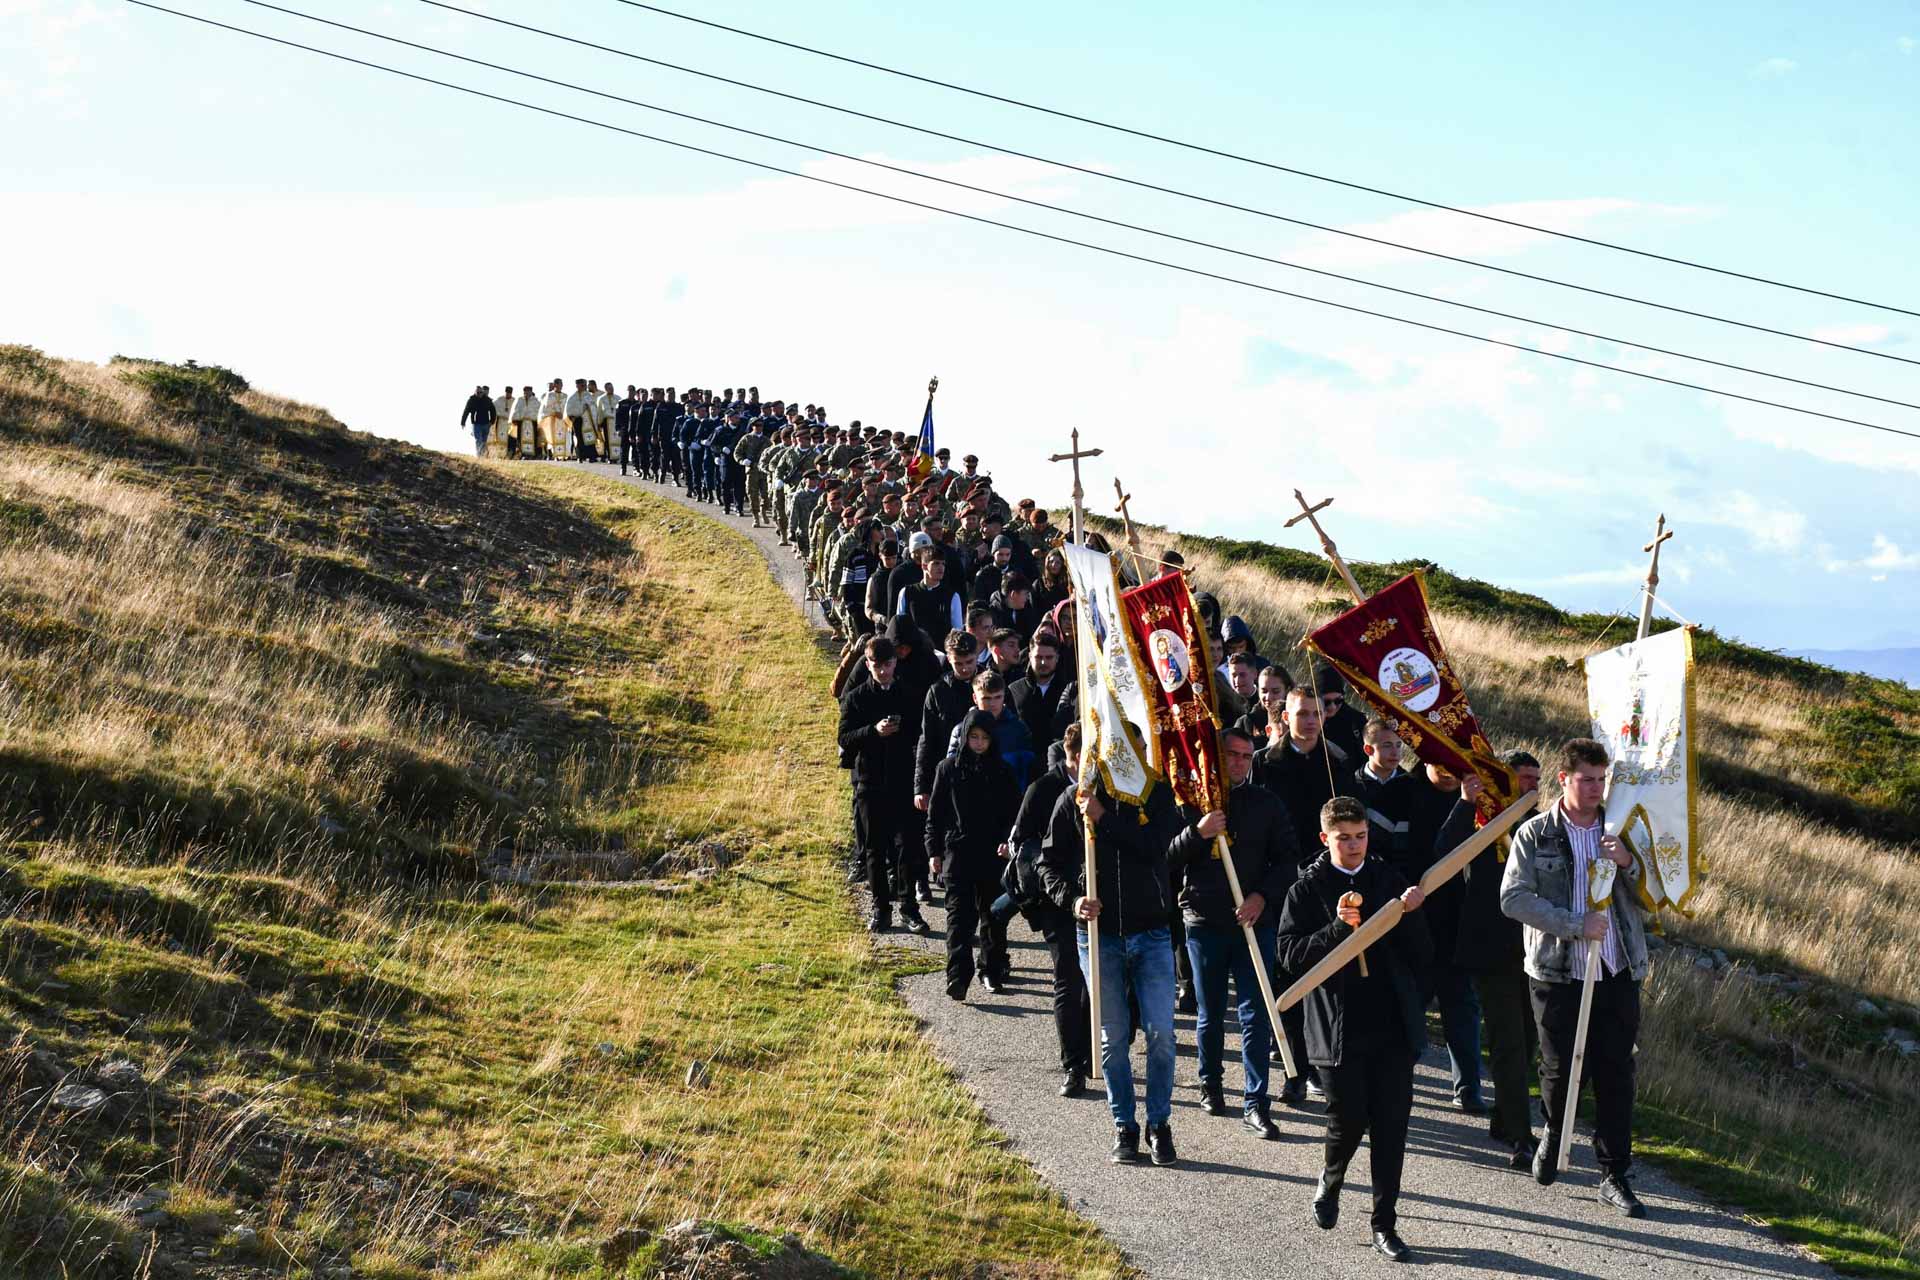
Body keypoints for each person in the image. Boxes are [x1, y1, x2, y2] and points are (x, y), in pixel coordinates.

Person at [1277, 795, 1431, 1264]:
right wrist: (1338, 931)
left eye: (1360, 836)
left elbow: (1421, 953)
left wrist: (1411, 912)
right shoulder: (1307, 888)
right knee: (1348, 1119)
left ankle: (1385, 1224)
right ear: (1326, 838)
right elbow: (1288, 955)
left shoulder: (1387, 879)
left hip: (1390, 1024)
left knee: (1391, 1127)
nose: (1354, 846)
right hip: (1335, 1027)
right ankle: (1331, 1177)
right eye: (1343, 838)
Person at [1501, 738, 1650, 1217]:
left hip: (1617, 968)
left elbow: (1657, 895)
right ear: (1563, 779)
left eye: (1602, 779)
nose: (1596, 789)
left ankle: (1614, 1173)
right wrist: (1573, 923)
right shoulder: (1534, 834)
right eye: (1587, 779)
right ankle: (1554, 1130)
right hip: (1558, 971)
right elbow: (1514, 899)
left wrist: (1628, 863)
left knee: (1616, 1072)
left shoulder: (1623, 830)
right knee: (1560, 1068)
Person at [1038, 771, 1182, 1166]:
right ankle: (1125, 1126)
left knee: (1161, 1034)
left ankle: (1159, 1123)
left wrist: (1105, 818)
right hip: (1099, 937)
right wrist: (1073, 901)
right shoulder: (1074, 799)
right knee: (1112, 1037)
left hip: (1150, 932)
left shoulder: (1154, 794)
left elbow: (1157, 849)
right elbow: (1046, 863)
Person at [1165, 727, 1298, 1139]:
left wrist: (1261, 896)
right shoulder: (1190, 802)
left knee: (1256, 1013)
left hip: (1252, 923)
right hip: (1204, 920)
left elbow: (1288, 859)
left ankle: (1256, 1101)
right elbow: (1164, 858)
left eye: (1245, 755)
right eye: (1231, 756)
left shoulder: (1267, 803)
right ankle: (1211, 1082)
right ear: (1216, 759)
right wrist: (1198, 832)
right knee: (1210, 1012)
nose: (1238, 763)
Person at [1443, 751, 1543, 1169]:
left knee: (1531, 1041)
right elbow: (1444, 853)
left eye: (1537, 780)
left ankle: (1504, 1119)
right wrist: (1466, 803)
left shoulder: (1542, 827)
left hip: (1536, 948)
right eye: (1523, 779)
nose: (1531, 788)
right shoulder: (1480, 818)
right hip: (1491, 948)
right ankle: (1521, 1137)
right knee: (1509, 1042)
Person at [1011, 725, 1092, 1094]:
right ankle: (1072, 1063)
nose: (1081, 767)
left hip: (1095, 899)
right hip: (1057, 898)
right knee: (1067, 980)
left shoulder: (1104, 789)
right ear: (1067, 756)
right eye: (1077, 760)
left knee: (1095, 982)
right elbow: (1024, 839)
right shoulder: (1044, 789)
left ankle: (1093, 1053)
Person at [925, 708, 1021, 999]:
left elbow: (1013, 814)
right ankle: (957, 974)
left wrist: (1009, 842)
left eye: (984, 738)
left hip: (991, 855)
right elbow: (936, 814)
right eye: (973, 737)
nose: (978, 743)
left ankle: (991, 970)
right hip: (958, 853)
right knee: (958, 918)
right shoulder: (948, 768)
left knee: (991, 917)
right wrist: (934, 851)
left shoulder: (1003, 771)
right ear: (965, 737)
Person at [837, 635, 929, 935]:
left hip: (902, 780)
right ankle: (881, 907)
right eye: (877, 665)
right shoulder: (857, 697)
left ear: (895, 663)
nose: (883, 670)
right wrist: (874, 731)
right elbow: (845, 738)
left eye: (888, 664)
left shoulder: (910, 695)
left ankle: (908, 907)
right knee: (875, 849)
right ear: (868, 663)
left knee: (907, 848)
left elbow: (921, 735)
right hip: (870, 781)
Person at [1008, 632, 1069, 748]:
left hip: (1059, 759)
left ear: (1057, 658)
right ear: (1030, 656)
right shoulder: (1014, 690)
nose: (1043, 662)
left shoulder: (1069, 690)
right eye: (1038, 657)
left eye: (1049, 657)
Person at [1318, 667, 1369, 765]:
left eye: (1338, 701)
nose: (1332, 707)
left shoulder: (1357, 720)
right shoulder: (1308, 721)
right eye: (1326, 702)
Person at [460, 385, 495, 457]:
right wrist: (463, 422)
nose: (479, 394)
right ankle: (479, 455)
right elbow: (466, 411)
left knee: (484, 441)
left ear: (482, 392)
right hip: (476, 424)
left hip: (486, 424)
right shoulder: (472, 400)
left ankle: (483, 456)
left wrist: (492, 422)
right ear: (475, 392)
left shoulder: (487, 400)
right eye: (478, 392)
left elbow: (493, 411)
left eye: (481, 392)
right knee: (478, 440)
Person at [510, 386, 539, 460]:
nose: (526, 392)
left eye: (528, 391)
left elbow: (538, 411)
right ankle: (522, 454)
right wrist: (514, 418)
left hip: (532, 423)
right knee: (520, 439)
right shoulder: (519, 400)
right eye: (525, 391)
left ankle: (532, 454)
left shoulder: (535, 401)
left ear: (531, 392)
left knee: (533, 438)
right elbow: (515, 409)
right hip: (521, 423)